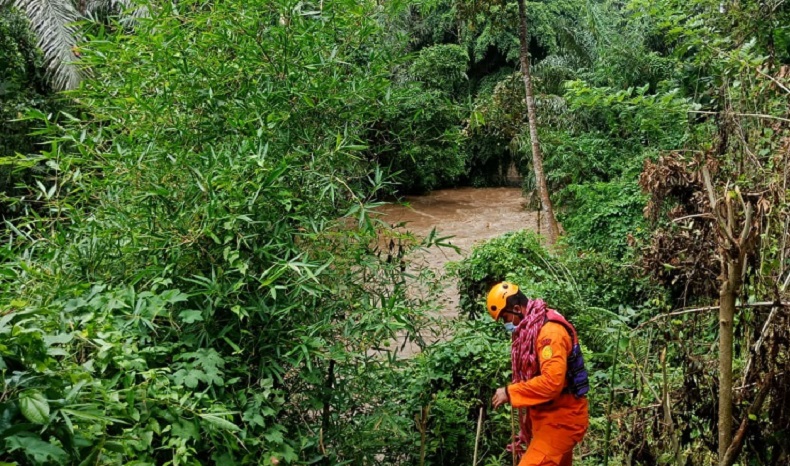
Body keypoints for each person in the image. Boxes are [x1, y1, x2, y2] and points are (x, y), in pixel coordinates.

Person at [487, 281, 589, 466]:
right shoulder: (538, 324)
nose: (506, 324)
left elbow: (552, 383)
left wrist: (510, 392)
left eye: (505, 318)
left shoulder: (550, 333)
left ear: (517, 308)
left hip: (562, 420)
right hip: (547, 417)